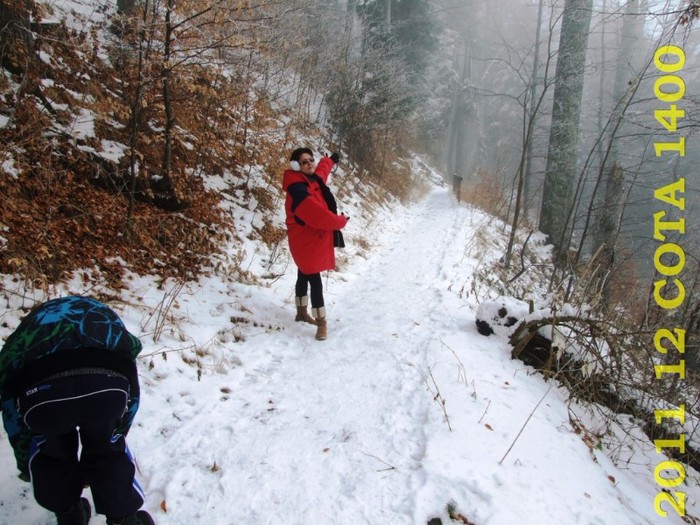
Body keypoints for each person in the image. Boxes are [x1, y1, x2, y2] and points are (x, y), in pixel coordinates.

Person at [0, 296, 154, 525]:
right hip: (106, 384)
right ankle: (124, 520)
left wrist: (25, 459)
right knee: (108, 452)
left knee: (50, 452)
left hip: (42, 394)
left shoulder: (25, 335)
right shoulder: (104, 319)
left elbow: (8, 396)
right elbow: (129, 366)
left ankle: (69, 515)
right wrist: (118, 429)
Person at [283, 147, 349, 340]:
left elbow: (321, 172)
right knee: (314, 279)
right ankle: (322, 323)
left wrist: (330, 161)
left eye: (311, 159)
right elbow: (318, 216)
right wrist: (340, 221)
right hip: (305, 241)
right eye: (304, 162)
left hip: (310, 239)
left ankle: (301, 312)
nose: (310, 163)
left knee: (303, 273)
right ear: (296, 166)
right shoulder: (298, 191)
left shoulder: (310, 180)